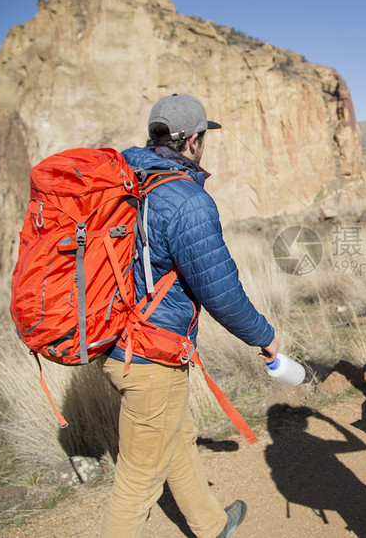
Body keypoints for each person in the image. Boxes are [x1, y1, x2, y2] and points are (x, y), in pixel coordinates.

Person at [98, 93, 279, 538]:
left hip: (116, 340)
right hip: (149, 355)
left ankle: (211, 524)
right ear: (194, 140)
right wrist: (264, 336)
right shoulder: (185, 200)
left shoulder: (127, 179)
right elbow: (220, 291)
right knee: (137, 482)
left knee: (177, 433)